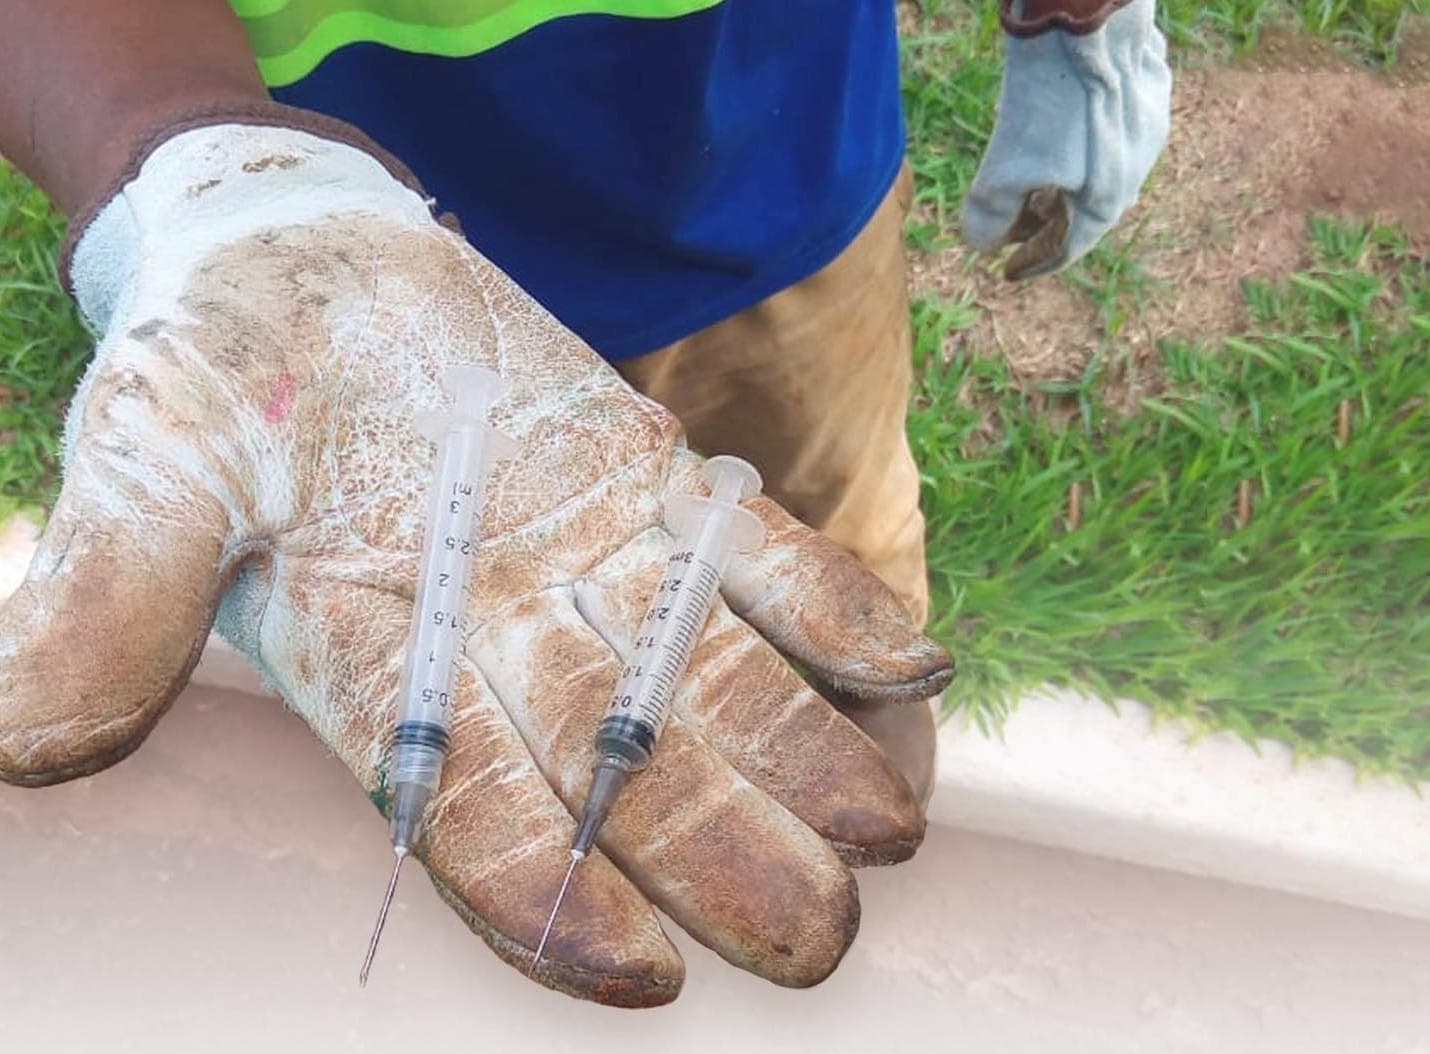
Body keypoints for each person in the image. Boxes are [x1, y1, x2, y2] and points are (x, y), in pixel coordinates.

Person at [0, 0, 1170, 1006]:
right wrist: (213, 174)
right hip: (332, 224)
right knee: (429, 664)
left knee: (823, 617)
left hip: (756, 172)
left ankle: (820, 838)